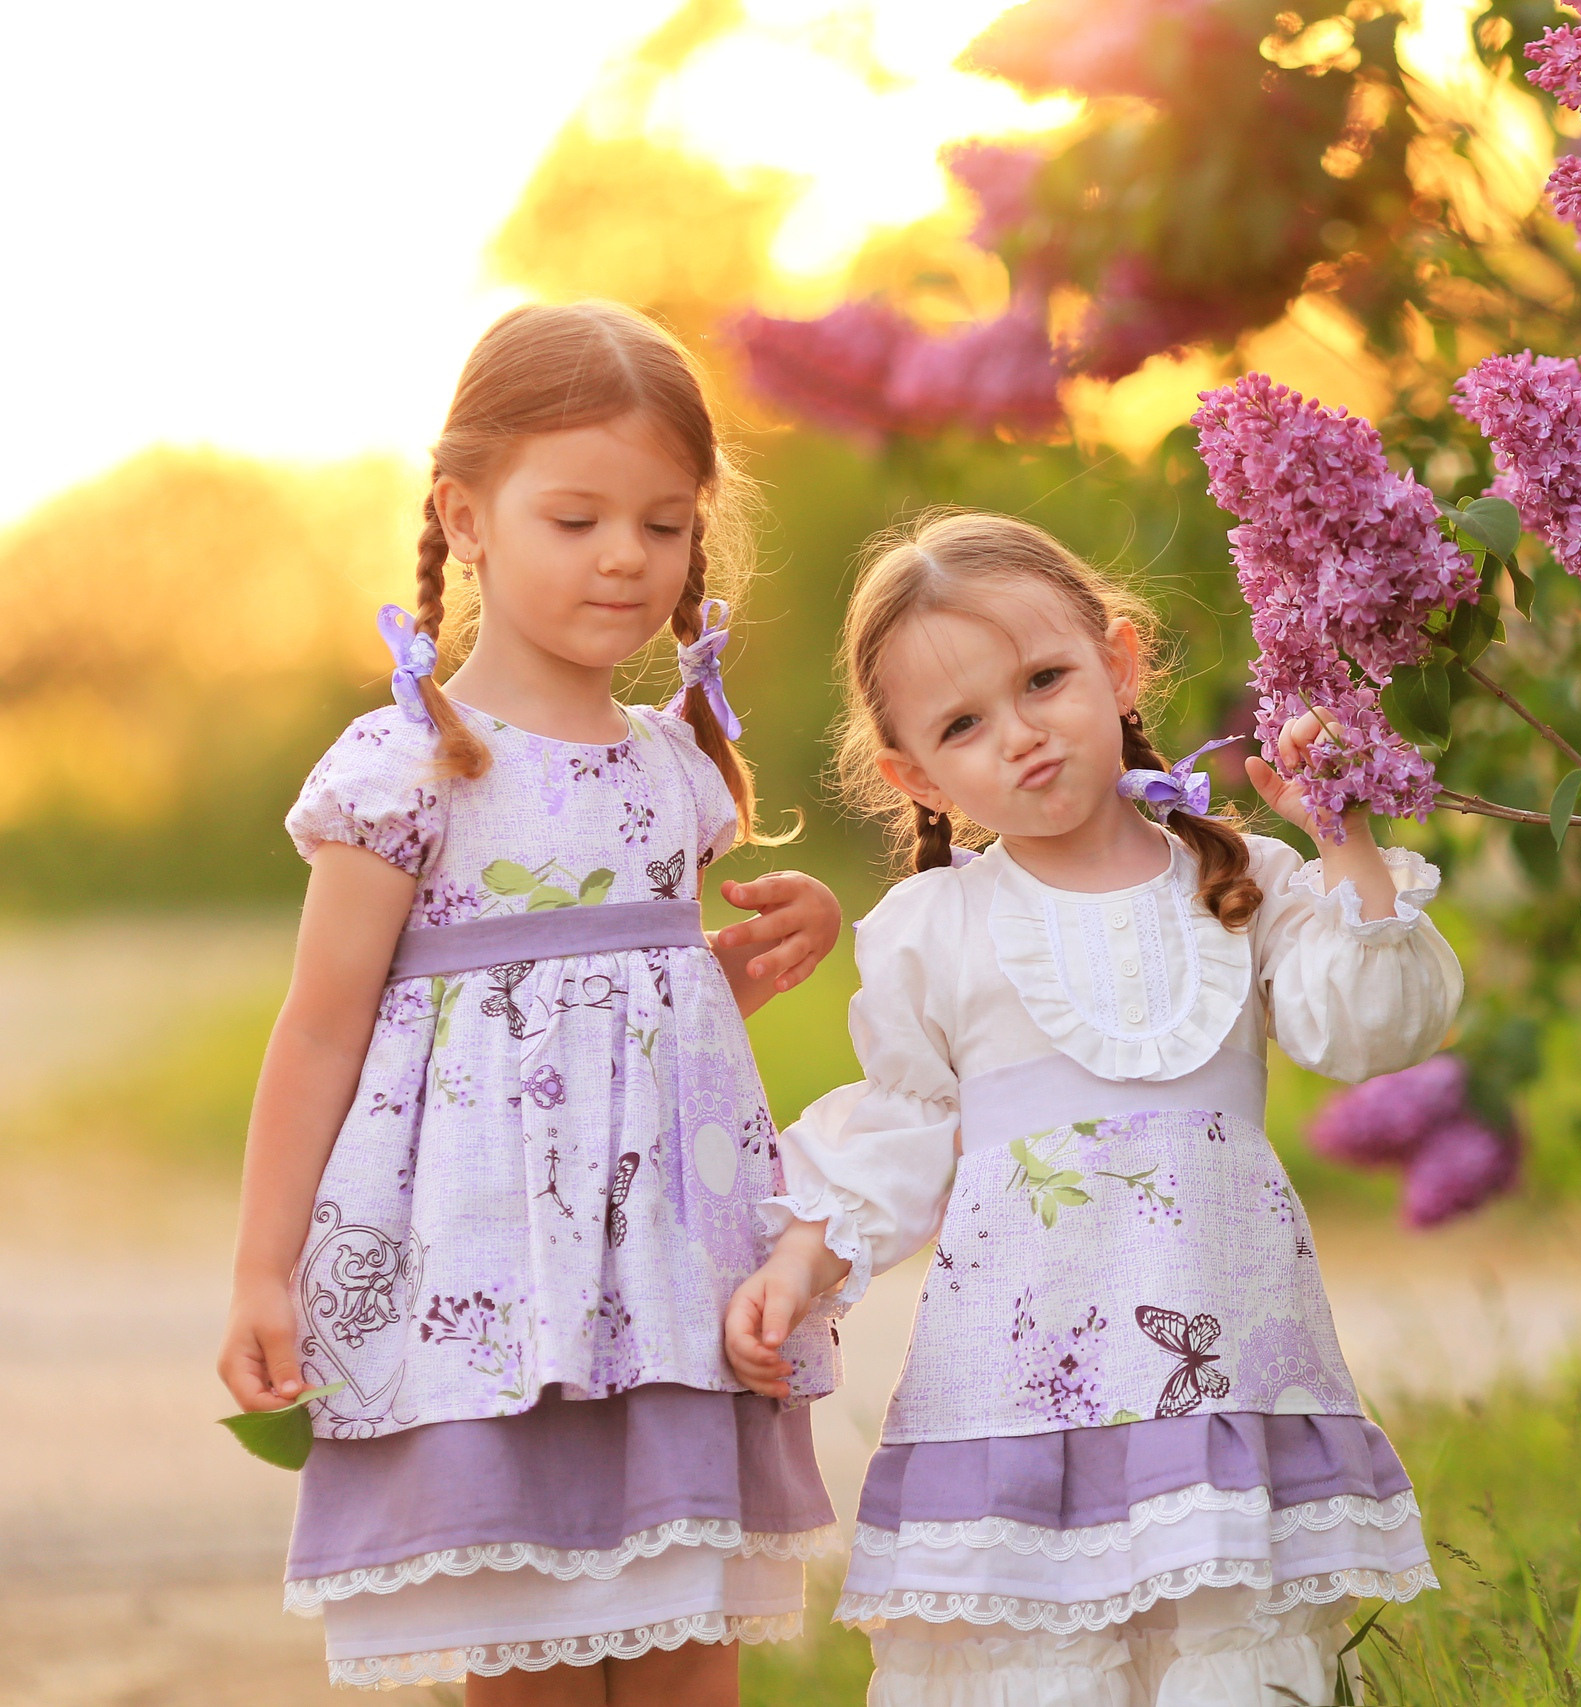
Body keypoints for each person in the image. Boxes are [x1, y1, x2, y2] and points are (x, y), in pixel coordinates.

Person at [216, 301, 847, 1699]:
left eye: (664, 523)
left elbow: (640, 1030)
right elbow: (324, 1026)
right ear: (469, 512)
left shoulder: (678, 771)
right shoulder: (411, 767)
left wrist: (737, 970)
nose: (628, 555)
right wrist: (265, 1267)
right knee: (536, 1663)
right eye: (578, 518)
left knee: (693, 1656)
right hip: (490, 1306)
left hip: (670, 1298)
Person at [725, 510, 1462, 1706]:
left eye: (1045, 681)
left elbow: (1369, 1027)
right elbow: (905, 1127)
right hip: (1018, 1404)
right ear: (913, 772)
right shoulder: (936, 929)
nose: (1019, 736)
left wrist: (1346, 842)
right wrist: (802, 1261)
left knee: (1230, 1662)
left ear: (1118, 665)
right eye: (963, 725)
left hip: (1219, 1388)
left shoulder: (1242, 880)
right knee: (1039, 1671)